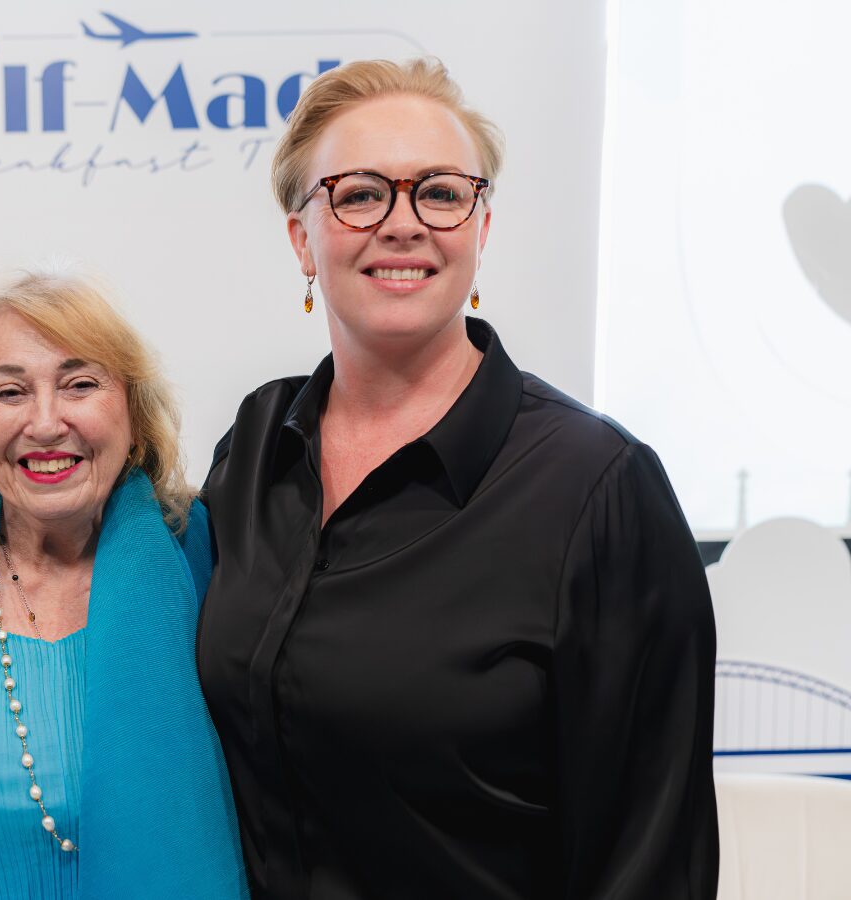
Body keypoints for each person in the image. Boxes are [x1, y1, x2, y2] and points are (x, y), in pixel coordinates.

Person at [194, 59, 718, 898]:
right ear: (302, 238)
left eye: (439, 192)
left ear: (481, 228)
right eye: (359, 193)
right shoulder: (255, 448)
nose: (402, 224)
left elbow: (649, 858)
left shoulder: (599, 490)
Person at [0, 272, 248, 899]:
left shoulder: (211, 555)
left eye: (81, 384)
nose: (46, 421)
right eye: (10, 392)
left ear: (135, 415)